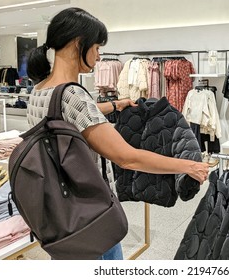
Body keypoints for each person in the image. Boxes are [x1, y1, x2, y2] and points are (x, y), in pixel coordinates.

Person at [26, 7, 209, 260]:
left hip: (60, 212)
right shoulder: (74, 95)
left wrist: (114, 104)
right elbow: (127, 157)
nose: (100, 56)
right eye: (97, 47)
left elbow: (66, 114)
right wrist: (187, 165)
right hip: (92, 215)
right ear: (79, 44)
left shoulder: (40, 90)